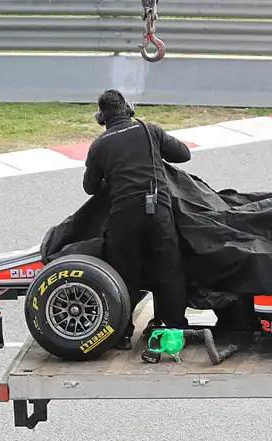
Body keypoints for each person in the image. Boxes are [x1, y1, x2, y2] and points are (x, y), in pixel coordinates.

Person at [82, 89, 193, 350]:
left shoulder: (100, 144)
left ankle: (121, 335)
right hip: (158, 212)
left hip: (124, 216)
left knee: (124, 275)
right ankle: (172, 327)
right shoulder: (149, 130)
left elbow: (90, 187)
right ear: (128, 109)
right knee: (169, 270)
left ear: (102, 117)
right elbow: (184, 154)